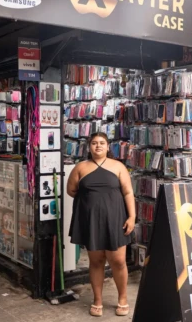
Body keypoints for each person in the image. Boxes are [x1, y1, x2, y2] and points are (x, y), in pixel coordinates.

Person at [67, 132, 135, 317]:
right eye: (94, 143)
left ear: (108, 146)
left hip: (116, 219)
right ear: (89, 147)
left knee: (118, 261)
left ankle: (122, 299)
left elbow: (128, 192)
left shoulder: (118, 166)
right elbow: (71, 190)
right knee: (96, 261)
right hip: (92, 221)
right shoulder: (81, 167)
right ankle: (97, 300)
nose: (98, 146)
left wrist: (132, 217)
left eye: (102, 143)